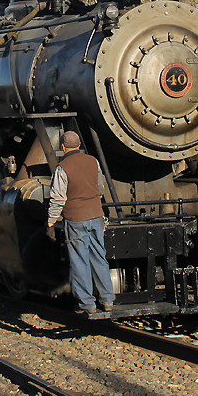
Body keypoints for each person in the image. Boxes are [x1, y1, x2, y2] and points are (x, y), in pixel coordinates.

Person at [47, 130, 115, 314]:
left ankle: (87, 304)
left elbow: (58, 198)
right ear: (79, 145)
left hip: (76, 218)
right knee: (99, 257)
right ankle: (108, 299)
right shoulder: (93, 162)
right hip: (96, 215)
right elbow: (100, 188)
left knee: (79, 260)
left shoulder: (63, 168)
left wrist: (51, 221)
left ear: (63, 147)